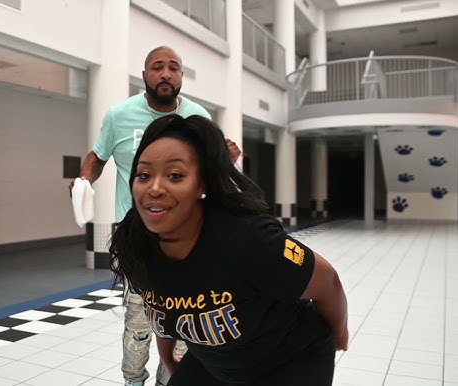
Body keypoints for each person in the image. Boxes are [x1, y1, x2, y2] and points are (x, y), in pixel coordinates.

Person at [108, 114, 349, 386]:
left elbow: (328, 281)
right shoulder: (135, 243)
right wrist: (167, 358)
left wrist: (340, 335)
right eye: (144, 175)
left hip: (290, 358)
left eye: (175, 176)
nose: (154, 188)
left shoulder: (248, 239)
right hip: (216, 363)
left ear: (202, 184)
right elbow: (161, 306)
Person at [69, 46, 240, 386]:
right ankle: (133, 381)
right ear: (144, 75)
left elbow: (209, 173)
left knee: (181, 321)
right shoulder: (119, 115)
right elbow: (98, 155)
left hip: (187, 238)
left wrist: (224, 158)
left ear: (180, 77)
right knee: (138, 321)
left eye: (174, 68)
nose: (166, 74)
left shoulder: (198, 117)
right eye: (157, 67)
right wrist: (84, 179)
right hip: (137, 237)